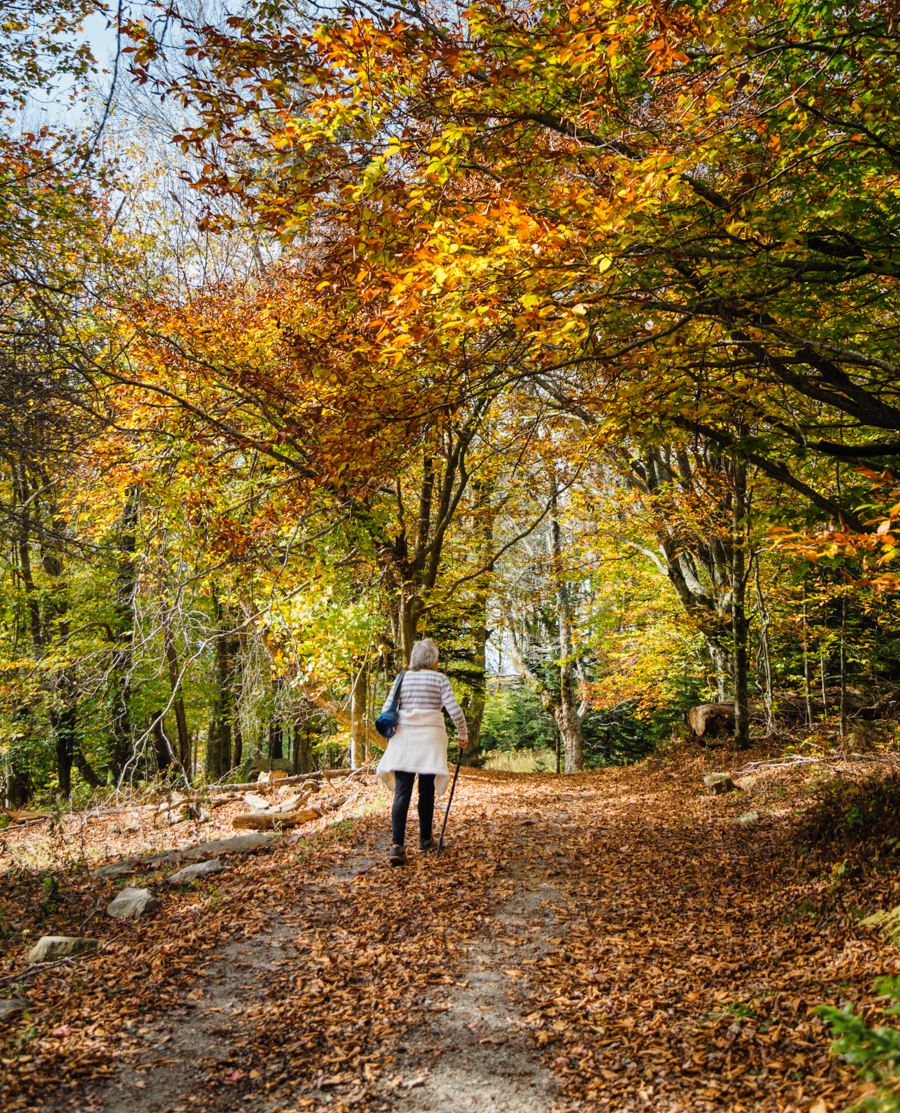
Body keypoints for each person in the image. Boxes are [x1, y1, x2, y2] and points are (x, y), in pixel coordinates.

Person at [376, 638, 468, 867]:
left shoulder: (401, 678)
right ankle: (425, 839)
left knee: (402, 792)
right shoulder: (439, 679)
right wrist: (463, 735)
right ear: (432, 659)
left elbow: (387, 710)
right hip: (430, 738)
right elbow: (454, 711)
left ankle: (397, 847)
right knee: (426, 790)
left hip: (404, 738)